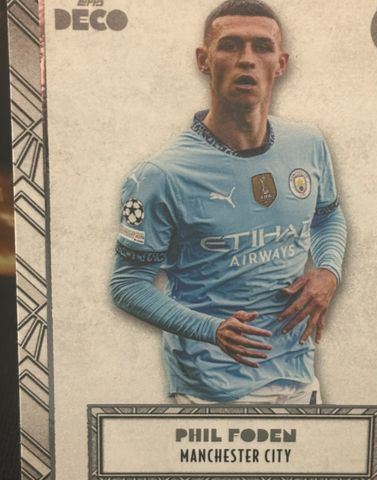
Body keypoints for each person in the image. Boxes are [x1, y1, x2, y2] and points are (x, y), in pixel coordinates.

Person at [110, 0, 347, 404]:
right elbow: (127, 284)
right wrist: (211, 330)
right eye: (231, 45)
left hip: (299, 377)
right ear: (203, 60)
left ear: (281, 63)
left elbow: (327, 216)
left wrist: (328, 272)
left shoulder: (307, 143)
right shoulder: (160, 175)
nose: (247, 59)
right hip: (211, 388)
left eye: (262, 47)